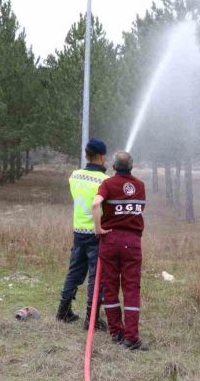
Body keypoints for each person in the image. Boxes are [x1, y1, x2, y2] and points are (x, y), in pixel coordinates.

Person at [92, 151, 148, 350]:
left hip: (109, 239)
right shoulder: (140, 186)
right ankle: (131, 337)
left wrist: (98, 228)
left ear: (113, 167)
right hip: (132, 241)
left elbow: (96, 203)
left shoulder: (107, 185)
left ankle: (116, 332)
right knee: (131, 288)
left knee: (110, 286)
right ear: (131, 167)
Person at [56, 138, 109, 331]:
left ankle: (63, 311)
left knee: (75, 272)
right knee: (97, 277)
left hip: (78, 231)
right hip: (97, 233)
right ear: (102, 156)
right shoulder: (105, 181)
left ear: (86, 154)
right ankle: (92, 318)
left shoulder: (74, 176)